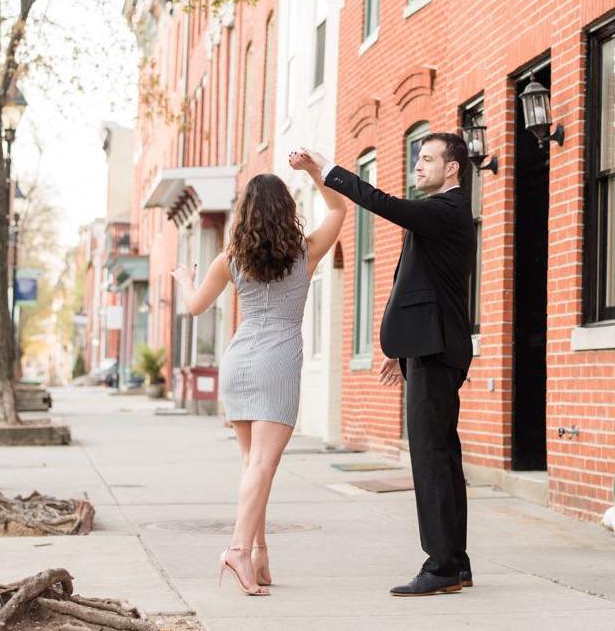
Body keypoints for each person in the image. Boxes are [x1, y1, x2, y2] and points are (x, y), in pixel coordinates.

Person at [292, 134, 476, 597]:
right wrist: (402, 349)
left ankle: (439, 567)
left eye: (428, 158)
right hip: (430, 347)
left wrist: (325, 167)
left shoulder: (447, 209)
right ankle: (456, 561)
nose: (419, 165)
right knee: (443, 456)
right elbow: (418, 282)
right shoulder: (442, 214)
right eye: (419, 157)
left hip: (436, 350)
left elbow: (382, 203)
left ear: (453, 168)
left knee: (431, 458)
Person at [171, 166, 346, 596]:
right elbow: (339, 206)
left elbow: (194, 308)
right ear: (287, 210)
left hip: (239, 361)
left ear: (245, 214)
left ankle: (259, 551)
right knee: (263, 466)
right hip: (278, 361)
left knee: (254, 466)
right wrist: (314, 170)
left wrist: (185, 281)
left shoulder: (230, 258)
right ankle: (236, 549)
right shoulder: (306, 251)